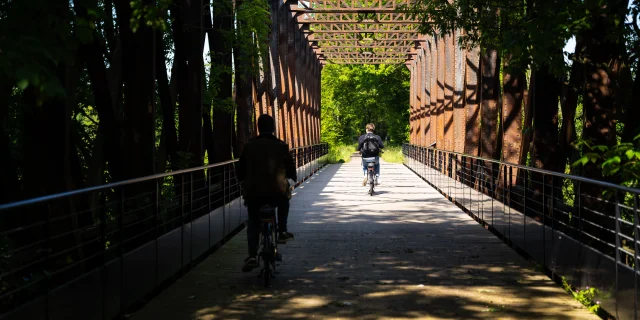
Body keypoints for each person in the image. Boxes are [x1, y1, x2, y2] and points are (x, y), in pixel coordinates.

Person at [237, 114, 296, 272]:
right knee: (285, 199)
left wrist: (242, 180)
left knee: (253, 220)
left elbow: (240, 169)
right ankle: (282, 230)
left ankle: (251, 255)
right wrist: (292, 177)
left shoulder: (249, 146)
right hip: (276, 192)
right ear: (273, 128)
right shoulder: (281, 145)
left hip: (254, 192)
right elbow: (290, 168)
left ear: (258, 127)